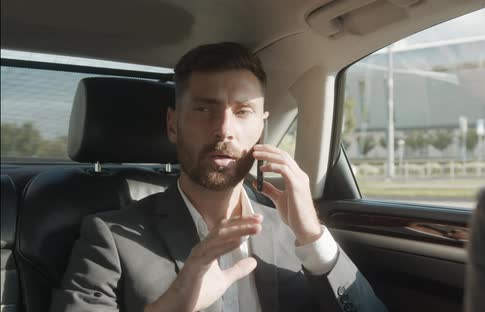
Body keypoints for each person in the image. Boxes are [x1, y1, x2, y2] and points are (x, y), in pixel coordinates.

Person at [50, 42, 387, 312]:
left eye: (243, 112)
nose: (224, 129)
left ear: (261, 128)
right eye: (203, 109)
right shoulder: (110, 237)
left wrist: (312, 235)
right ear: (172, 125)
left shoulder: (293, 233)